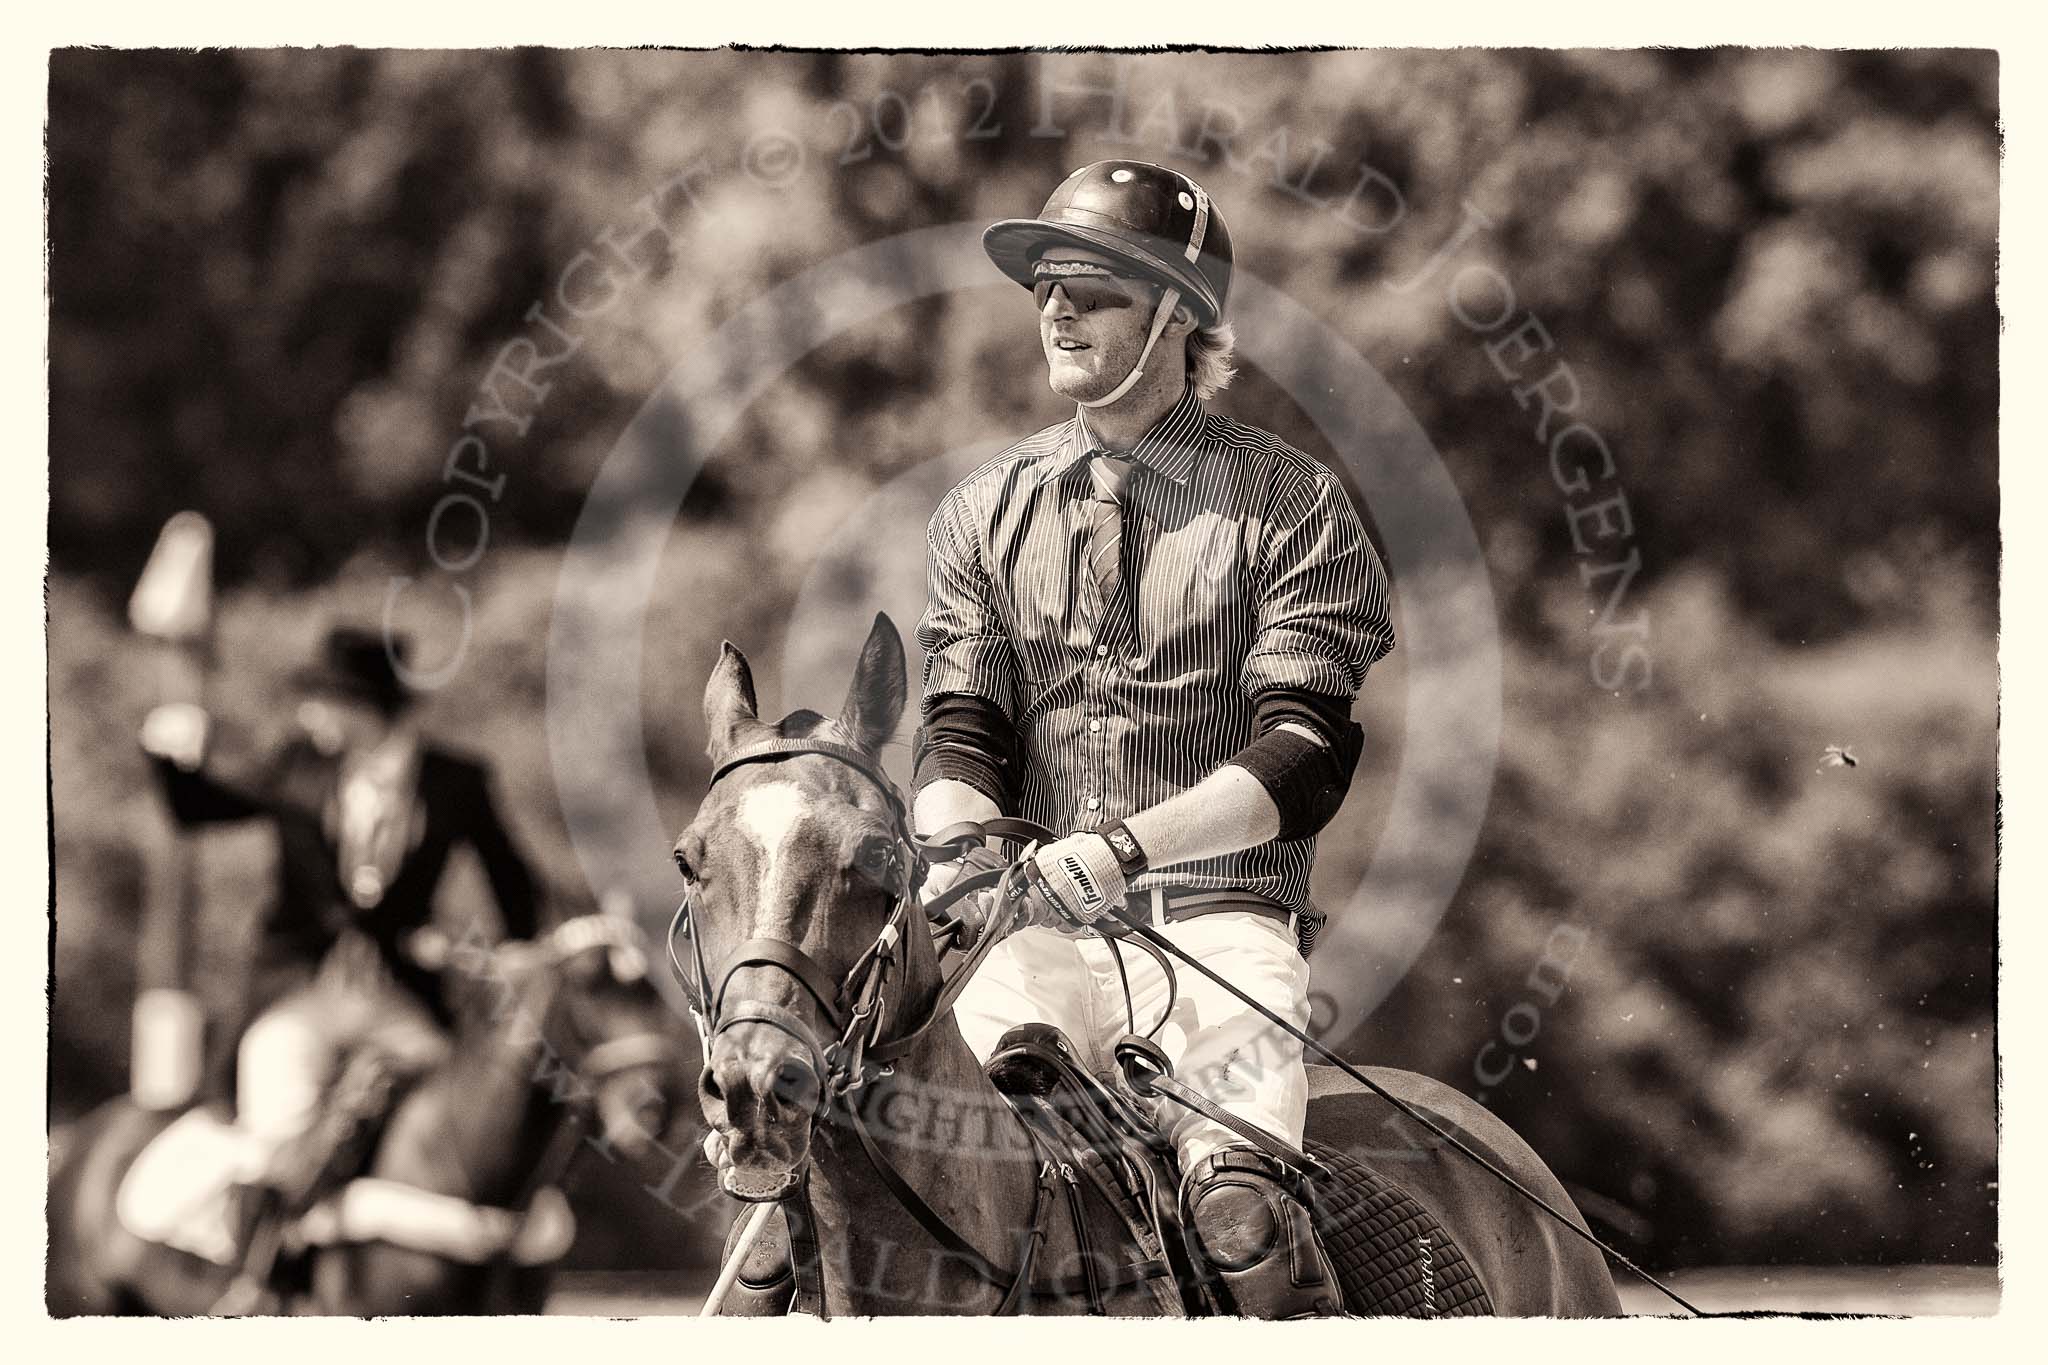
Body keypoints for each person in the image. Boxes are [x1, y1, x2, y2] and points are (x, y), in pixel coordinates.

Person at [911, 159, 1396, 1317]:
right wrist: (954, 857)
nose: (1056, 310)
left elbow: (1299, 758)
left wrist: (1122, 853)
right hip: (1022, 937)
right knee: (907, 1165)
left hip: (1218, 929)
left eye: (1091, 288)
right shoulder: (981, 510)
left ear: (1178, 315)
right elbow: (960, 735)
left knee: (1237, 1209)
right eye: (1044, 289)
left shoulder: (1292, 503)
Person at [139, 624, 542, 1305]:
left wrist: (514, 952)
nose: (308, 714)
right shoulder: (298, 765)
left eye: (320, 698)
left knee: (450, 1123)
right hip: (299, 992)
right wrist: (166, 755)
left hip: (400, 997)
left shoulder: (454, 780)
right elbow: (197, 810)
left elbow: (511, 876)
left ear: (362, 705)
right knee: (276, 1126)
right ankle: (258, 1277)